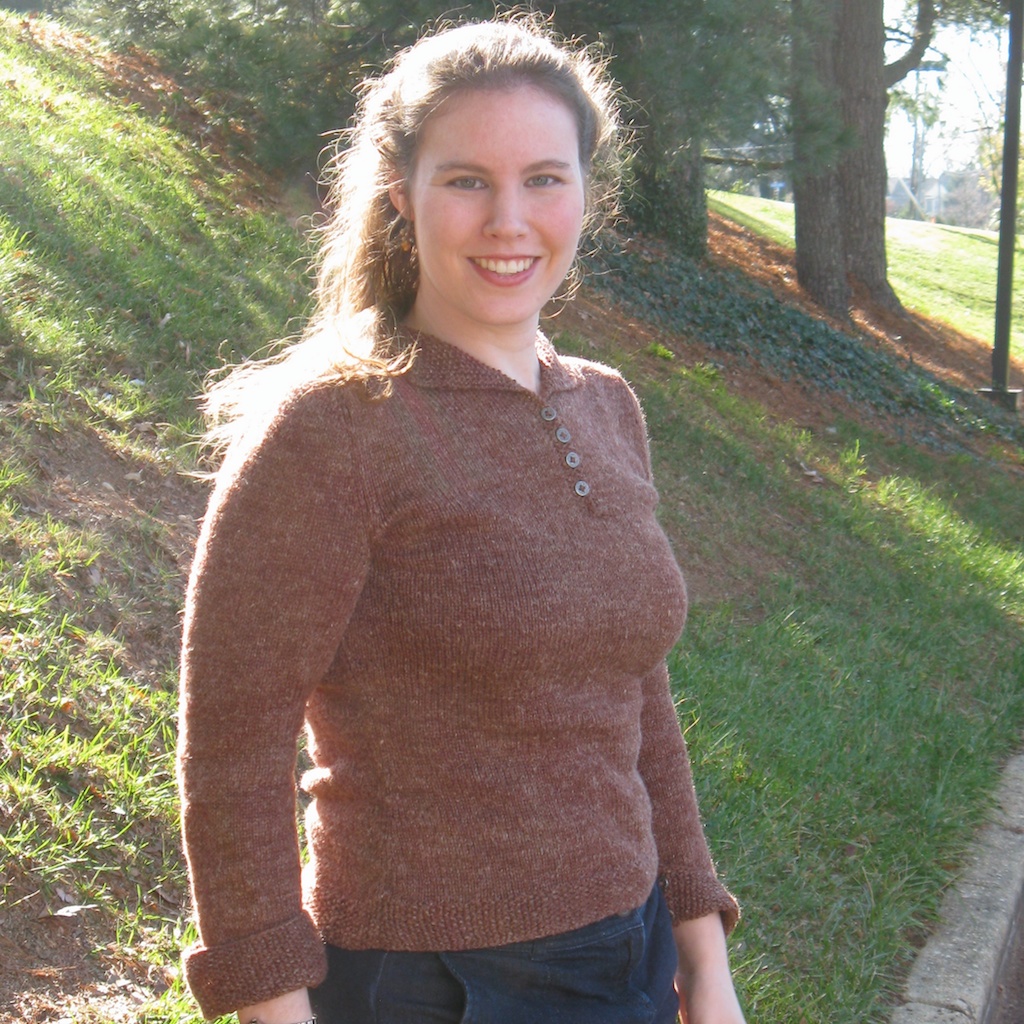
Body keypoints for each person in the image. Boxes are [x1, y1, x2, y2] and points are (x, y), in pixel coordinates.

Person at [176, 16, 745, 1024]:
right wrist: (271, 1002)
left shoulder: (606, 404)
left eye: (543, 178)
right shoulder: (336, 426)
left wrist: (703, 955)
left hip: (632, 951)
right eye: (467, 181)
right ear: (402, 194)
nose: (508, 221)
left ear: (586, 191)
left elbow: (637, 694)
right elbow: (234, 742)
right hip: (435, 983)